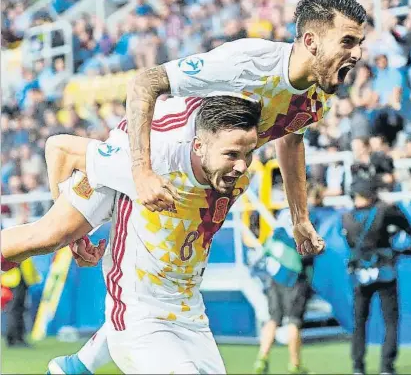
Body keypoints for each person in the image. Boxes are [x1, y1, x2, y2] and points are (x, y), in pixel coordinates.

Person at [3, 95, 261, 374]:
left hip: (190, 315)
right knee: (46, 236)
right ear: (197, 145)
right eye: (232, 155)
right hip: (139, 314)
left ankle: (76, 366)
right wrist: (69, 229)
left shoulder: (235, 179)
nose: (242, 166)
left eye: (248, 154)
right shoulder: (150, 165)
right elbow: (60, 148)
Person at [124, 0, 367, 257]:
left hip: (197, 185)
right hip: (150, 152)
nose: (357, 54)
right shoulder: (249, 61)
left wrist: (300, 217)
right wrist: (141, 170)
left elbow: (291, 140)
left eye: (359, 43)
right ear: (311, 41)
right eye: (347, 42)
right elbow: (145, 82)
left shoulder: (318, 98)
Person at [342, 177, 411, 375]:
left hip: (360, 272)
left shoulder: (347, 218)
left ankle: (358, 366)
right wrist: (407, 250)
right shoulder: (384, 210)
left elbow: (350, 244)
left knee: (359, 321)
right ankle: (386, 367)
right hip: (385, 270)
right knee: (390, 320)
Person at [253, 183, 325, 374]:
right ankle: (294, 365)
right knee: (293, 320)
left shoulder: (285, 213)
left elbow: (274, 238)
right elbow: (311, 249)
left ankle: (261, 358)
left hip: (276, 271)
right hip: (294, 275)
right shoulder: (309, 217)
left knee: (273, 318)